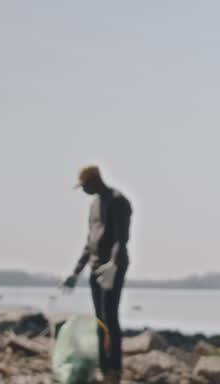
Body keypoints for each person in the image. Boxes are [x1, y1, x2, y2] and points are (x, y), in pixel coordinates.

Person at [62, 165, 132, 384]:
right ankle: (103, 368)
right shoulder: (94, 205)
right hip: (95, 267)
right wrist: (76, 271)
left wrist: (114, 264)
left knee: (110, 317)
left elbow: (121, 239)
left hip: (112, 267)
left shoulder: (118, 201)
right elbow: (89, 242)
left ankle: (115, 369)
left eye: (85, 186)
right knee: (99, 320)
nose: (83, 190)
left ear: (95, 181)